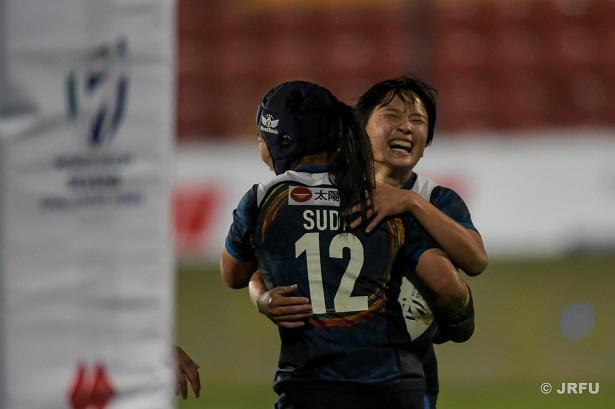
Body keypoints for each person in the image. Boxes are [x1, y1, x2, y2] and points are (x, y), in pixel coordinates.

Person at [221, 80, 465, 409]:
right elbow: (447, 285)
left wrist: (262, 298)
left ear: (282, 140)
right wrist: (460, 320)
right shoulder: (383, 199)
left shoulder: (263, 201)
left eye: (261, 136)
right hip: (395, 383)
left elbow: (233, 275)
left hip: (309, 386)